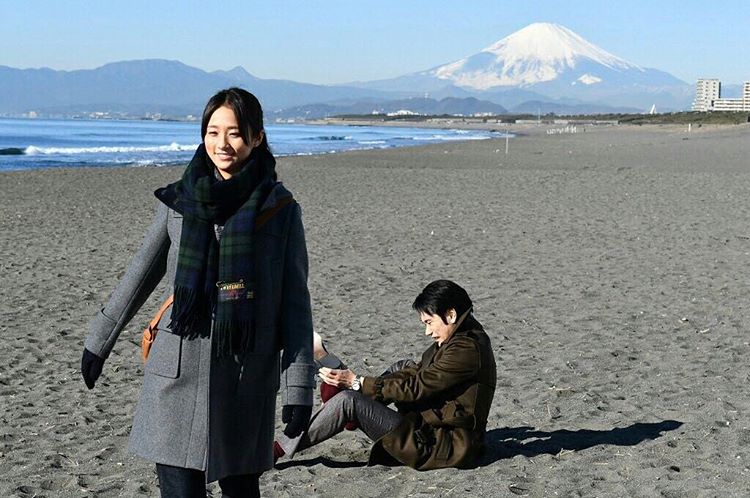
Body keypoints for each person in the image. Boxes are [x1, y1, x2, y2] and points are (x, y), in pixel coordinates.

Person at [80, 87, 315, 497]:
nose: (222, 144)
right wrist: (99, 341)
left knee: (241, 489)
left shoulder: (280, 209)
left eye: (235, 133)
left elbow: (295, 304)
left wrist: (298, 386)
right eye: (212, 132)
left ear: (257, 137)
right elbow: (140, 273)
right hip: (177, 371)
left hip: (245, 375)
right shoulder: (179, 200)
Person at [275, 280, 497, 470]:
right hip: (434, 431)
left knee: (348, 401)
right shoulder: (460, 338)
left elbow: (417, 387)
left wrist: (357, 383)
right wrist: (359, 384)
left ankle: (275, 450)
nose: (427, 332)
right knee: (403, 366)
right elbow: (416, 373)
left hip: (441, 446)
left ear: (451, 314)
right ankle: (349, 402)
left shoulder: (466, 349)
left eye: (429, 322)